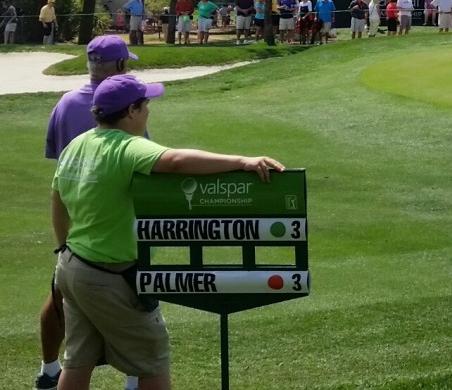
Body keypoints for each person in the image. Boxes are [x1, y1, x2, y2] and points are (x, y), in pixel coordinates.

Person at [51, 74, 283, 390]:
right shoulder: (127, 146)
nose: (148, 111)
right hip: (111, 276)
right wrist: (242, 161)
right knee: (152, 361)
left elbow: (57, 197)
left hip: (71, 267)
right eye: (146, 105)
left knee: (78, 359)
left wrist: (62, 246)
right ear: (131, 111)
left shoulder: (78, 144)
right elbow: (174, 161)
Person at [38, 36, 140, 390]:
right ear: (121, 66)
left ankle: (49, 369)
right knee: (135, 305)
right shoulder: (126, 104)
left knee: (60, 292)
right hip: (111, 221)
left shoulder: (65, 104)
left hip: (71, 216)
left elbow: (58, 161)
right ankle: (135, 378)